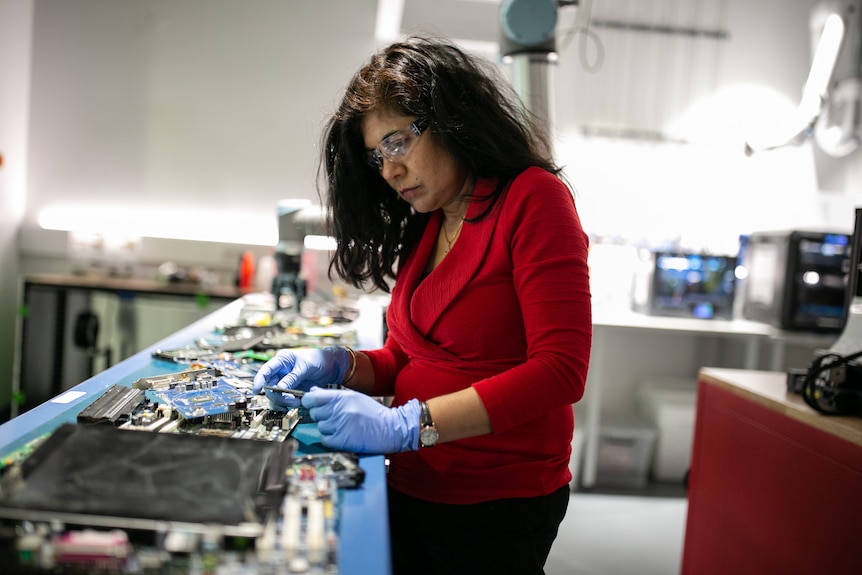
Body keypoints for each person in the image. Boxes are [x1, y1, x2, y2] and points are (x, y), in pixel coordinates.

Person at [253, 35, 592, 575]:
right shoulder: (431, 220)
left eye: (396, 143)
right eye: (375, 157)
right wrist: (344, 364)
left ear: (450, 118)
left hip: (494, 501)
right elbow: (409, 359)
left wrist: (411, 424)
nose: (388, 171)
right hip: (412, 481)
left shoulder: (532, 198)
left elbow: (560, 371)